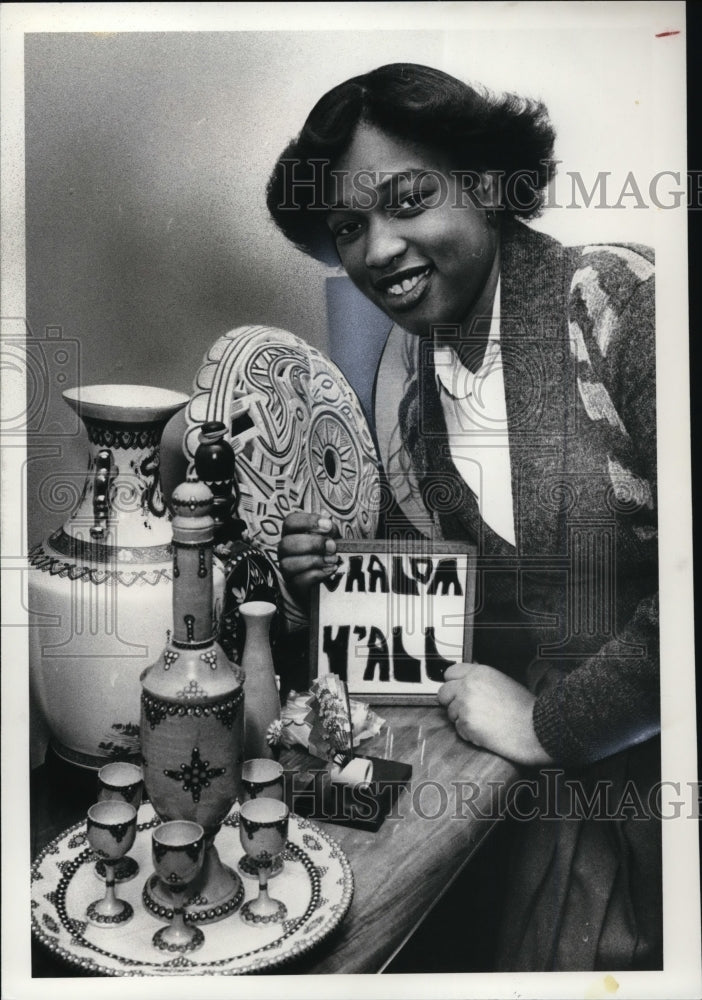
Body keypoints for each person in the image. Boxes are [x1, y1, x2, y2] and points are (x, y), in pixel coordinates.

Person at [266, 63, 660, 971]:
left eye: (407, 199)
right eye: (348, 228)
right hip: (543, 796)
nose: (377, 250)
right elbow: (451, 606)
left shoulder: (622, 304)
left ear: (486, 182)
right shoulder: (416, 399)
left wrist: (551, 726)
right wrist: (332, 576)